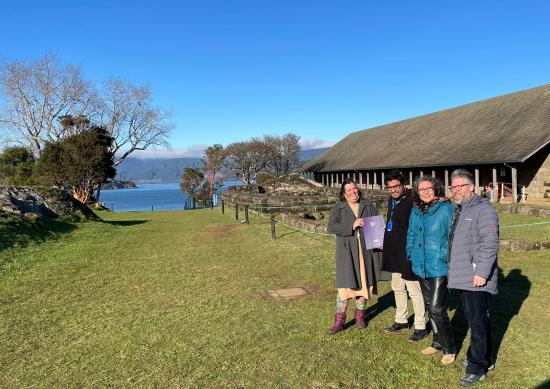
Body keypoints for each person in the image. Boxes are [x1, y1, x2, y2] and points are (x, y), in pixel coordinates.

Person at [448, 169, 499, 387]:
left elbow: (489, 243)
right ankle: (483, 358)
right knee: (475, 319)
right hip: (463, 273)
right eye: (453, 187)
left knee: (477, 322)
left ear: (471, 187)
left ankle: (477, 367)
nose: (455, 190)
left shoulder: (483, 210)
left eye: (460, 186)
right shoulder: (461, 209)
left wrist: (481, 272)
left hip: (475, 276)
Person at [327, 179, 389, 335]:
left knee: (364, 284)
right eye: (349, 190)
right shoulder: (338, 207)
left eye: (354, 189)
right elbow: (331, 227)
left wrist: (379, 240)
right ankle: (339, 321)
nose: (353, 192)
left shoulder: (367, 205)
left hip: (365, 252)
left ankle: (360, 317)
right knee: (345, 287)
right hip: (347, 253)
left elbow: (376, 226)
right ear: (343, 193)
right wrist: (351, 226)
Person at [406, 175, 456, 365]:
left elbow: (453, 236)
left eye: (429, 188)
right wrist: (410, 252)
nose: (425, 192)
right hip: (420, 264)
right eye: (421, 189)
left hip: (438, 265)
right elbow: (411, 233)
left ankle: (450, 347)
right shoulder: (416, 210)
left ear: (436, 189)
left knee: (437, 308)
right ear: (417, 192)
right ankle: (437, 342)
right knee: (429, 306)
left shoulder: (446, 209)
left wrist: (443, 254)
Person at [381, 170, 427, 342]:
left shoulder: (412, 200)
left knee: (414, 289)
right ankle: (401, 320)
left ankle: (420, 325)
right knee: (398, 287)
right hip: (394, 252)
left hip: (408, 252)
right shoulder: (392, 200)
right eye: (390, 187)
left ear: (403, 185)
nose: (393, 190)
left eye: (396, 186)